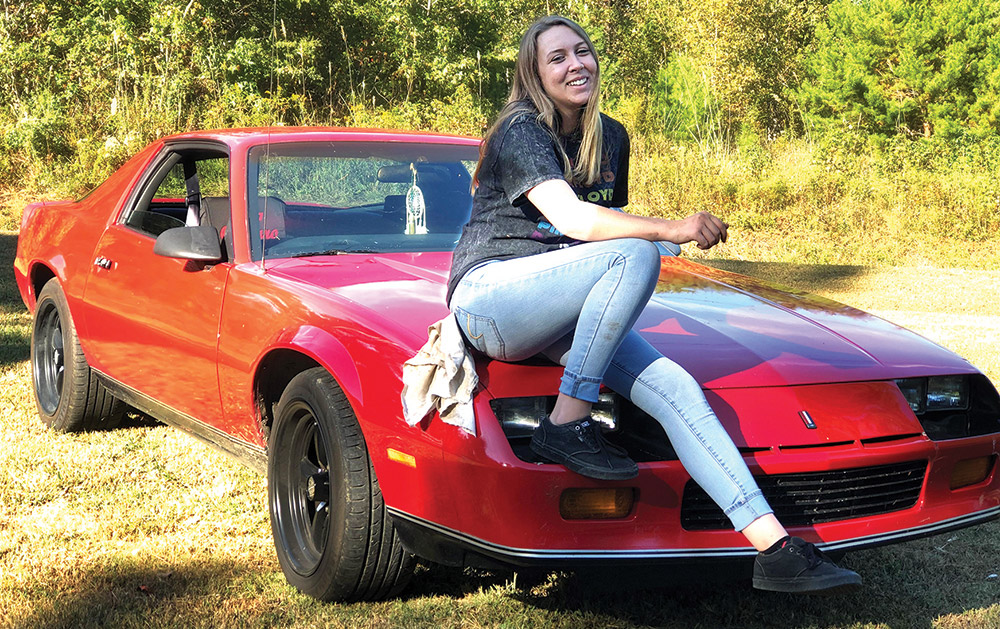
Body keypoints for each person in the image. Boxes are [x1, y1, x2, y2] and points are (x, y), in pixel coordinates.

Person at [446, 14, 862, 594]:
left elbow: (596, 235)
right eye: (557, 57)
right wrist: (672, 227)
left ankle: (775, 548)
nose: (575, 64)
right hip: (492, 297)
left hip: (561, 304)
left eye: (582, 51)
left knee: (676, 388)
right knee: (635, 253)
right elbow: (577, 221)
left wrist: (657, 238)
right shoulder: (521, 129)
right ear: (535, 75)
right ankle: (567, 422)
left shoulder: (610, 137)